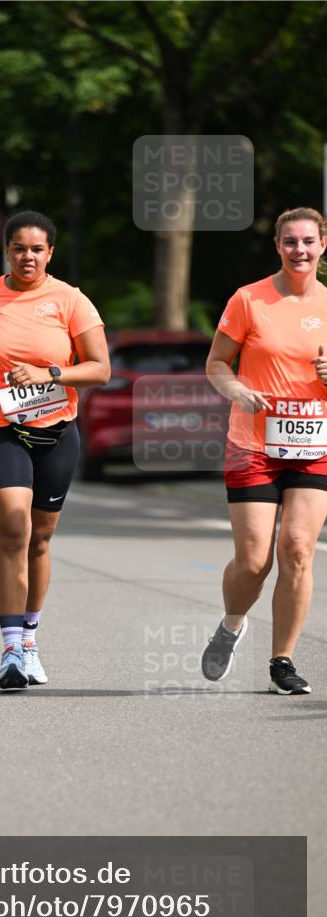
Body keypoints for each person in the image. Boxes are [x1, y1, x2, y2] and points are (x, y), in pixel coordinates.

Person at [0, 210, 110, 691]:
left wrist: (50, 374)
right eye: (18, 248)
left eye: (36, 249)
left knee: (40, 539)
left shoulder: (71, 301)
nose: (27, 257)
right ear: (6, 252)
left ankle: (30, 641)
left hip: (56, 432)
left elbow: (100, 369)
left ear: (50, 253)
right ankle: (10, 649)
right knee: (15, 529)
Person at [202, 206, 327, 694]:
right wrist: (235, 389)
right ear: (278, 246)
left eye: (308, 241)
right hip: (253, 445)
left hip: (315, 444)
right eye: (290, 241)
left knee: (297, 549)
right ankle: (231, 624)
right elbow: (217, 363)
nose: (300, 250)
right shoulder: (249, 299)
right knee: (254, 561)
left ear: (323, 246)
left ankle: (282, 662)